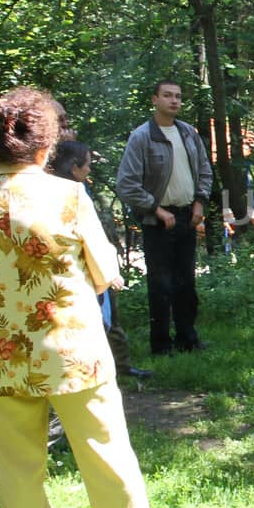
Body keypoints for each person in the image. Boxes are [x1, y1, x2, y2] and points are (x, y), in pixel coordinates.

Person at [0, 88, 170, 508]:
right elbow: (104, 274)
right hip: (71, 349)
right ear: (46, 145)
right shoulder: (69, 194)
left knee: (15, 463)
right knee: (106, 451)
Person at [116, 79, 214, 355]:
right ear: (154, 100)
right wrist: (155, 209)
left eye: (178, 96)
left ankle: (188, 339)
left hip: (187, 216)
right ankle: (160, 345)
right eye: (168, 96)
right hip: (157, 221)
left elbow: (205, 171)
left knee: (186, 281)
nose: (174, 101)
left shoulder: (188, 133)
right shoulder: (142, 137)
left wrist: (199, 203)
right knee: (160, 285)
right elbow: (127, 184)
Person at [50, 140, 150, 380]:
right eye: (87, 165)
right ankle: (92, 372)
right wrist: (108, 273)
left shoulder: (78, 188)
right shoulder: (64, 193)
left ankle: (122, 367)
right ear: (74, 168)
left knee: (111, 320)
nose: (90, 169)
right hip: (80, 272)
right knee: (95, 324)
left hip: (94, 266)